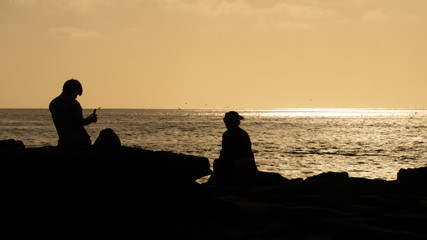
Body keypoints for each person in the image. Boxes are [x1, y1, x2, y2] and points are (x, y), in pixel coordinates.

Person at [49, 79, 97, 147]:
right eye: (76, 93)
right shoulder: (73, 103)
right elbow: (78, 122)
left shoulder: (53, 103)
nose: (76, 97)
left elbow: (68, 121)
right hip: (79, 141)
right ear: (72, 90)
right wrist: (91, 120)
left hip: (64, 141)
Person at [214, 111, 258, 175]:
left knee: (217, 162)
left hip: (238, 163)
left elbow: (225, 152)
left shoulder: (228, 134)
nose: (226, 124)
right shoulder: (243, 133)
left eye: (227, 122)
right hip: (247, 162)